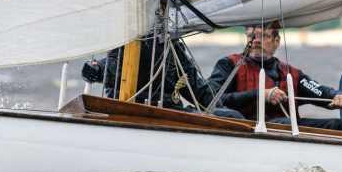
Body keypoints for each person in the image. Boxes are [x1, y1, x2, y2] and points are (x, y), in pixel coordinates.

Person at [207, 22, 342, 130]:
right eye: (252, 36)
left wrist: (337, 96)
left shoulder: (292, 75)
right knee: (286, 124)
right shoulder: (229, 65)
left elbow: (319, 92)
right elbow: (209, 99)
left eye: (263, 36)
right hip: (245, 129)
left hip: (287, 129)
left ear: (277, 41)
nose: (256, 40)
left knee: (337, 125)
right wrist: (261, 94)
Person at [81, 38, 243, 119]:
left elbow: (196, 88)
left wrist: (222, 112)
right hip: (128, 112)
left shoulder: (170, 45)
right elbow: (114, 65)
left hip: (169, 113)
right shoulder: (128, 41)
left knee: (232, 117)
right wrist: (97, 69)